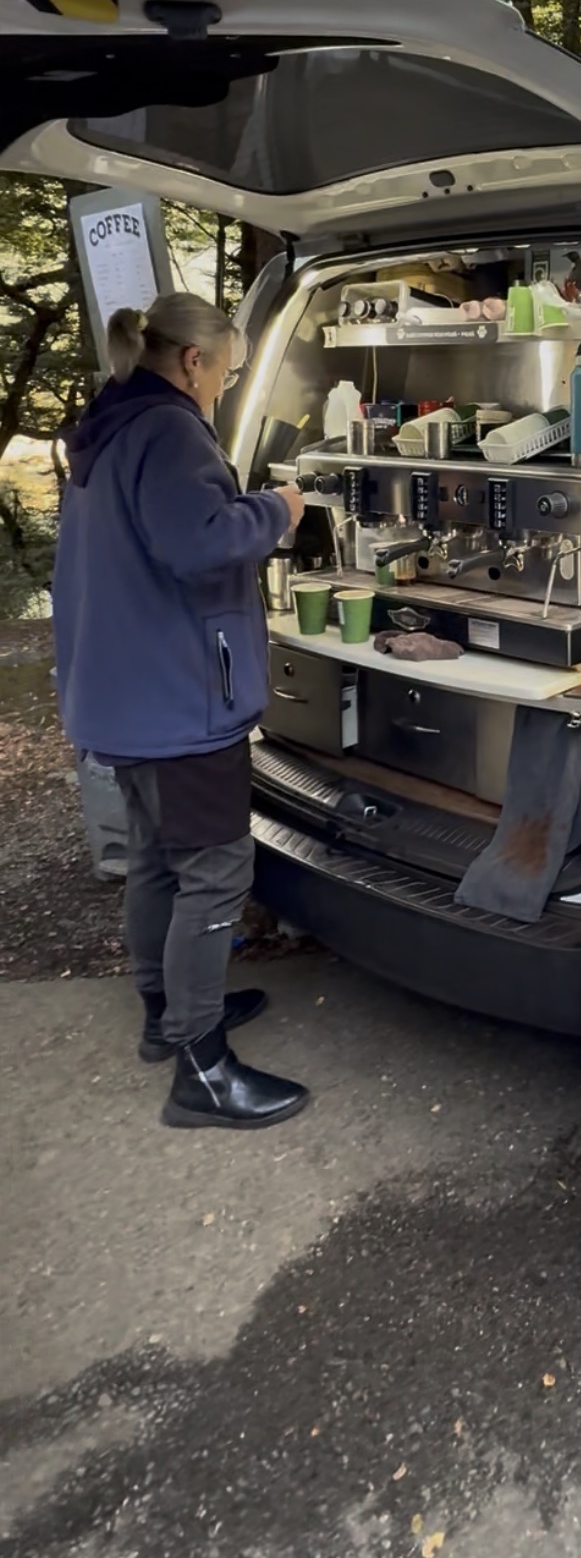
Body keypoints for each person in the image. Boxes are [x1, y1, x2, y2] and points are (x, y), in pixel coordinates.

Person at [52, 291, 310, 1131]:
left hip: (121, 692)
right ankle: (202, 1066)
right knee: (215, 870)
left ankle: (167, 1015)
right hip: (176, 700)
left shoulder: (110, 422)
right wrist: (277, 510)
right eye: (225, 374)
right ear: (193, 361)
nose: (223, 388)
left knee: (158, 861)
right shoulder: (167, 430)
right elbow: (198, 543)